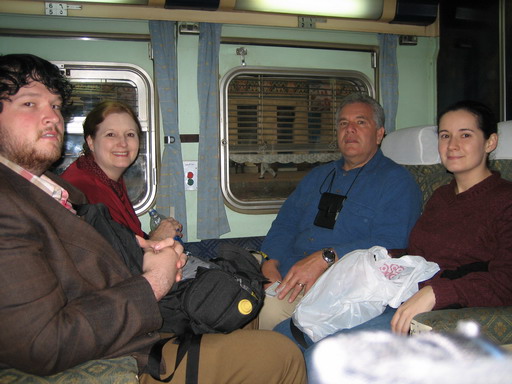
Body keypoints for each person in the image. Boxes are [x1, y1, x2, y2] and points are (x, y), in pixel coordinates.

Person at [0, 53, 307, 383]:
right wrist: (155, 281)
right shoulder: (22, 204)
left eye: (56, 106)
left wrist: (154, 254)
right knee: (281, 353)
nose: (51, 118)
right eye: (30, 104)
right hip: (120, 347)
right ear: (89, 141)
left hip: (126, 316)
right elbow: (44, 343)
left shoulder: (57, 190)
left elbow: (99, 261)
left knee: (238, 302)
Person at [304, 100, 512, 377]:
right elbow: (418, 254)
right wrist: (377, 260)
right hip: (403, 296)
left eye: (465, 135)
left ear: (490, 142)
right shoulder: (441, 196)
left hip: (445, 315)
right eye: (445, 135)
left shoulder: (504, 200)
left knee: (325, 357)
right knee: (298, 335)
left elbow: (506, 280)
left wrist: (438, 292)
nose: (452, 145)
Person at [259, 93, 423, 330]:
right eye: (343, 123)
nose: (350, 129)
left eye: (360, 122)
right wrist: (269, 262)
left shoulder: (397, 183)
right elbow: (285, 223)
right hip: (284, 271)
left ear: (379, 134)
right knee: (224, 289)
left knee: (263, 308)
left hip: (336, 288)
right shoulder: (317, 176)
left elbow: (393, 244)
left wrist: (327, 257)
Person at [61, 100, 180, 241]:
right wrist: (156, 240)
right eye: (111, 134)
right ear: (91, 142)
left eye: (130, 134)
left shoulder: (109, 180)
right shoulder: (82, 189)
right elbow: (111, 258)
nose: (123, 143)